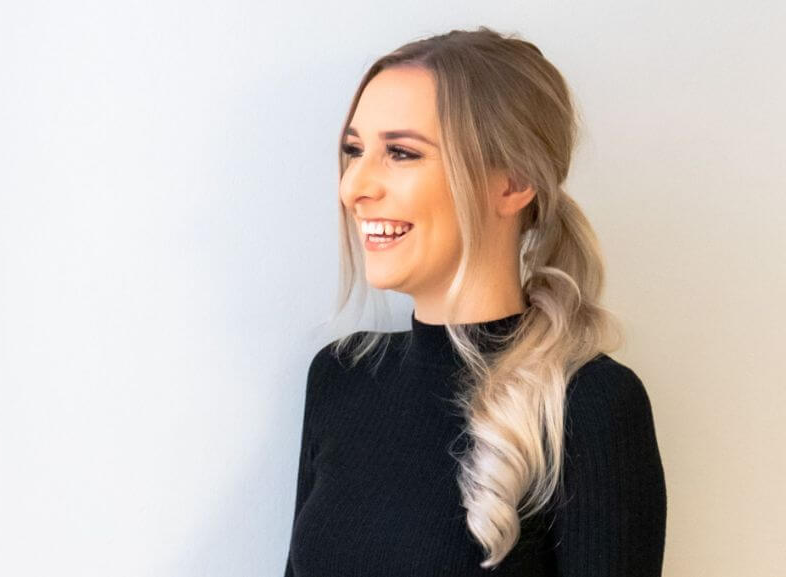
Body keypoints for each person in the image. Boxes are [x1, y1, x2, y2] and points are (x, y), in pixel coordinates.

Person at [284, 26, 667, 577]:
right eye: (353, 150)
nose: (353, 187)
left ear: (511, 182)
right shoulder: (340, 376)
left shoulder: (589, 405)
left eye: (400, 152)